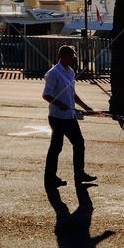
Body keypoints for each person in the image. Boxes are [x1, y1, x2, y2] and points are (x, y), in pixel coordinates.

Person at [42, 45, 96, 187]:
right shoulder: (53, 73)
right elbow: (46, 94)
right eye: (71, 55)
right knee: (56, 148)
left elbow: (72, 93)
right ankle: (50, 178)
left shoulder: (70, 72)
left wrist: (85, 106)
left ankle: (79, 174)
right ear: (62, 56)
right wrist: (60, 104)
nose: (73, 58)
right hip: (57, 117)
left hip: (70, 116)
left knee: (79, 144)